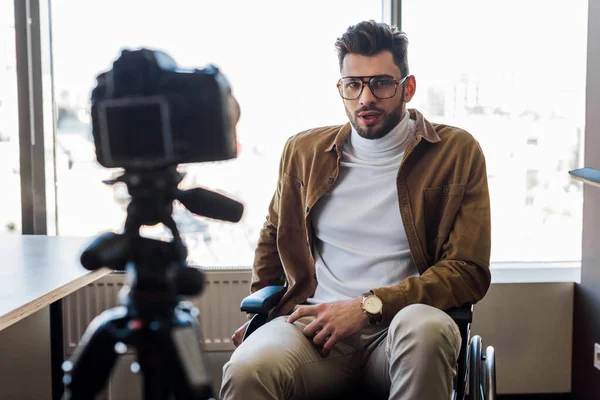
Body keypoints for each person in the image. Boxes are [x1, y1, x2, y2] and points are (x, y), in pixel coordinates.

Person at [220, 20, 491, 400]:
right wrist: (261, 317)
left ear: (407, 88)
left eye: (381, 83)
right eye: (353, 84)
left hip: (402, 329)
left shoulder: (455, 152)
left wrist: (368, 307)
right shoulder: (303, 152)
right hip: (317, 329)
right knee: (249, 368)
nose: (365, 98)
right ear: (341, 88)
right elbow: (273, 236)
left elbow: (468, 272)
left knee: (427, 329)